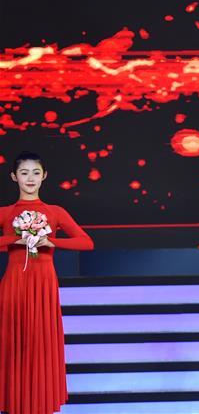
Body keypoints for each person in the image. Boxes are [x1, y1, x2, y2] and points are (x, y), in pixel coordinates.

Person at [0, 152, 94, 414]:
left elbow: (86, 242)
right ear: (14, 177)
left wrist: (52, 242)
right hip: (14, 285)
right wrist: (13, 240)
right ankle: (13, 404)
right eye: (24, 173)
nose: (30, 178)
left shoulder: (55, 212)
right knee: (14, 346)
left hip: (44, 286)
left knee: (41, 346)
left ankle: (40, 403)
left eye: (36, 173)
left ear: (44, 176)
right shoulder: (6, 213)